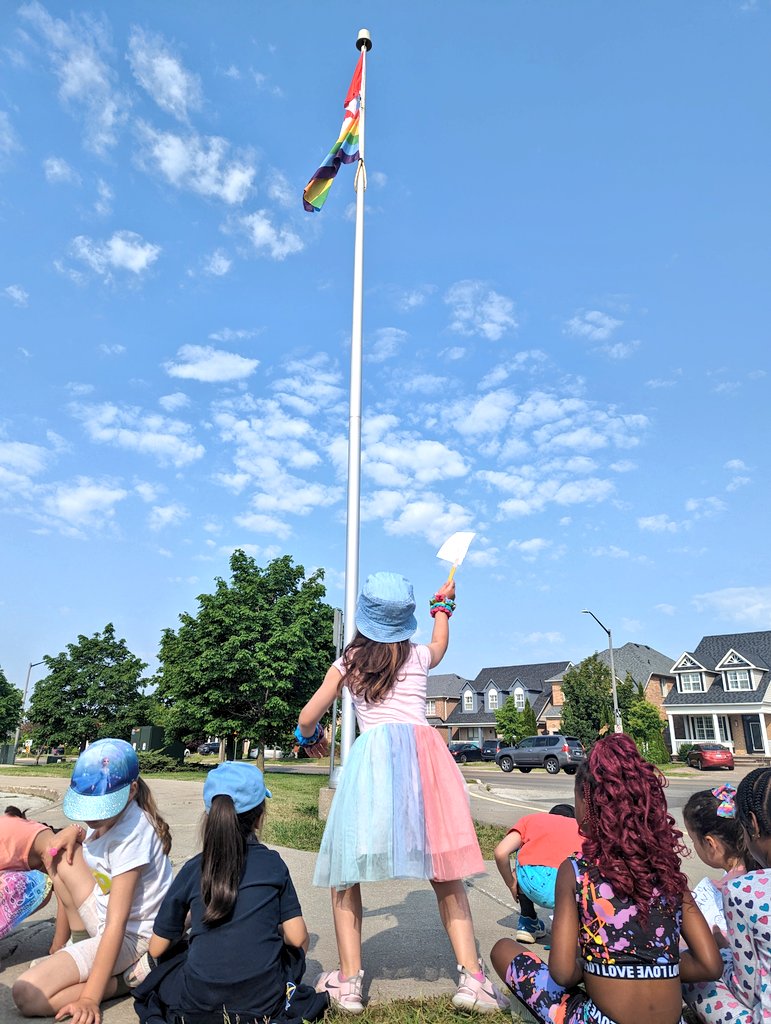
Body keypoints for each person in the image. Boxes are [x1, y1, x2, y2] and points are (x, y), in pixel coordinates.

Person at [296, 571, 506, 1014]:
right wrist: (443, 606)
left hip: (372, 766)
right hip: (424, 761)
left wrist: (307, 735)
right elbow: (441, 644)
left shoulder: (348, 661)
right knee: (445, 870)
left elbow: (308, 715)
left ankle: (350, 982)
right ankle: (472, 978)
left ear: (365, 618)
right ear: (404, 620)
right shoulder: (418, 655)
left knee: (345, 874)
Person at [491, 733, 723, 1024]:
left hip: (598, 1019)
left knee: (503, 949)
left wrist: (597, 964)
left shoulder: (577, 871)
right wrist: (656, 964)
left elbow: (562, 972)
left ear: (589, 805)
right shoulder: (667, 873)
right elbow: (709, 964)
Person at [133, 762, 329, 1024]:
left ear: (210, 816)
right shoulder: (272, 864)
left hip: (199, 1003)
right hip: (263, 1001)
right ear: (259, 817)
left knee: (173, 962)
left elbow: (157, 947)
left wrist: (189, 923)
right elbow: (297, 938)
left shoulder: (193, 869)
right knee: (290, 955)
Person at [12, 738, 173, 1024]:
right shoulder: (109, 819)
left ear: (132, 790)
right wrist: (73, 831)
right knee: (60, 856)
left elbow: (117, 923)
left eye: (101, 807)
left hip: (134, 936)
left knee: (27, 995)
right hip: (105, 918)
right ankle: (80, 948)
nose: (92, 817)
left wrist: (90, 998)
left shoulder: (131, 836)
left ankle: (127, 980)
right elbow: (89, 839)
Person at [684, 767, 771, 1024]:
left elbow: (745, 991)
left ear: (753, 825)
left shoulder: (743, 891)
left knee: (696, 982)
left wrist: (723, 951)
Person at [493, 804, 581, 943]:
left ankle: (528, 922)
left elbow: (500, 853)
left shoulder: (531, 820)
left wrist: (511, 883)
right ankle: (571, 928)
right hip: (568, 891)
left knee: (524, 852)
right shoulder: (581, 827)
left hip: (532, 885)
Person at [0, 805, 83, 949]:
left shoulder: (30, 832)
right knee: (38, 885)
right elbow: (67, 901)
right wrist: (57, 948)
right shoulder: (50, 850)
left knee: (42, 886)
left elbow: (65, 900)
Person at [683, 783, 750, 936]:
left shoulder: (730, 892)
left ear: (710, 843)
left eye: (693, 840)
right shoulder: (758, 873)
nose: (693, 845)